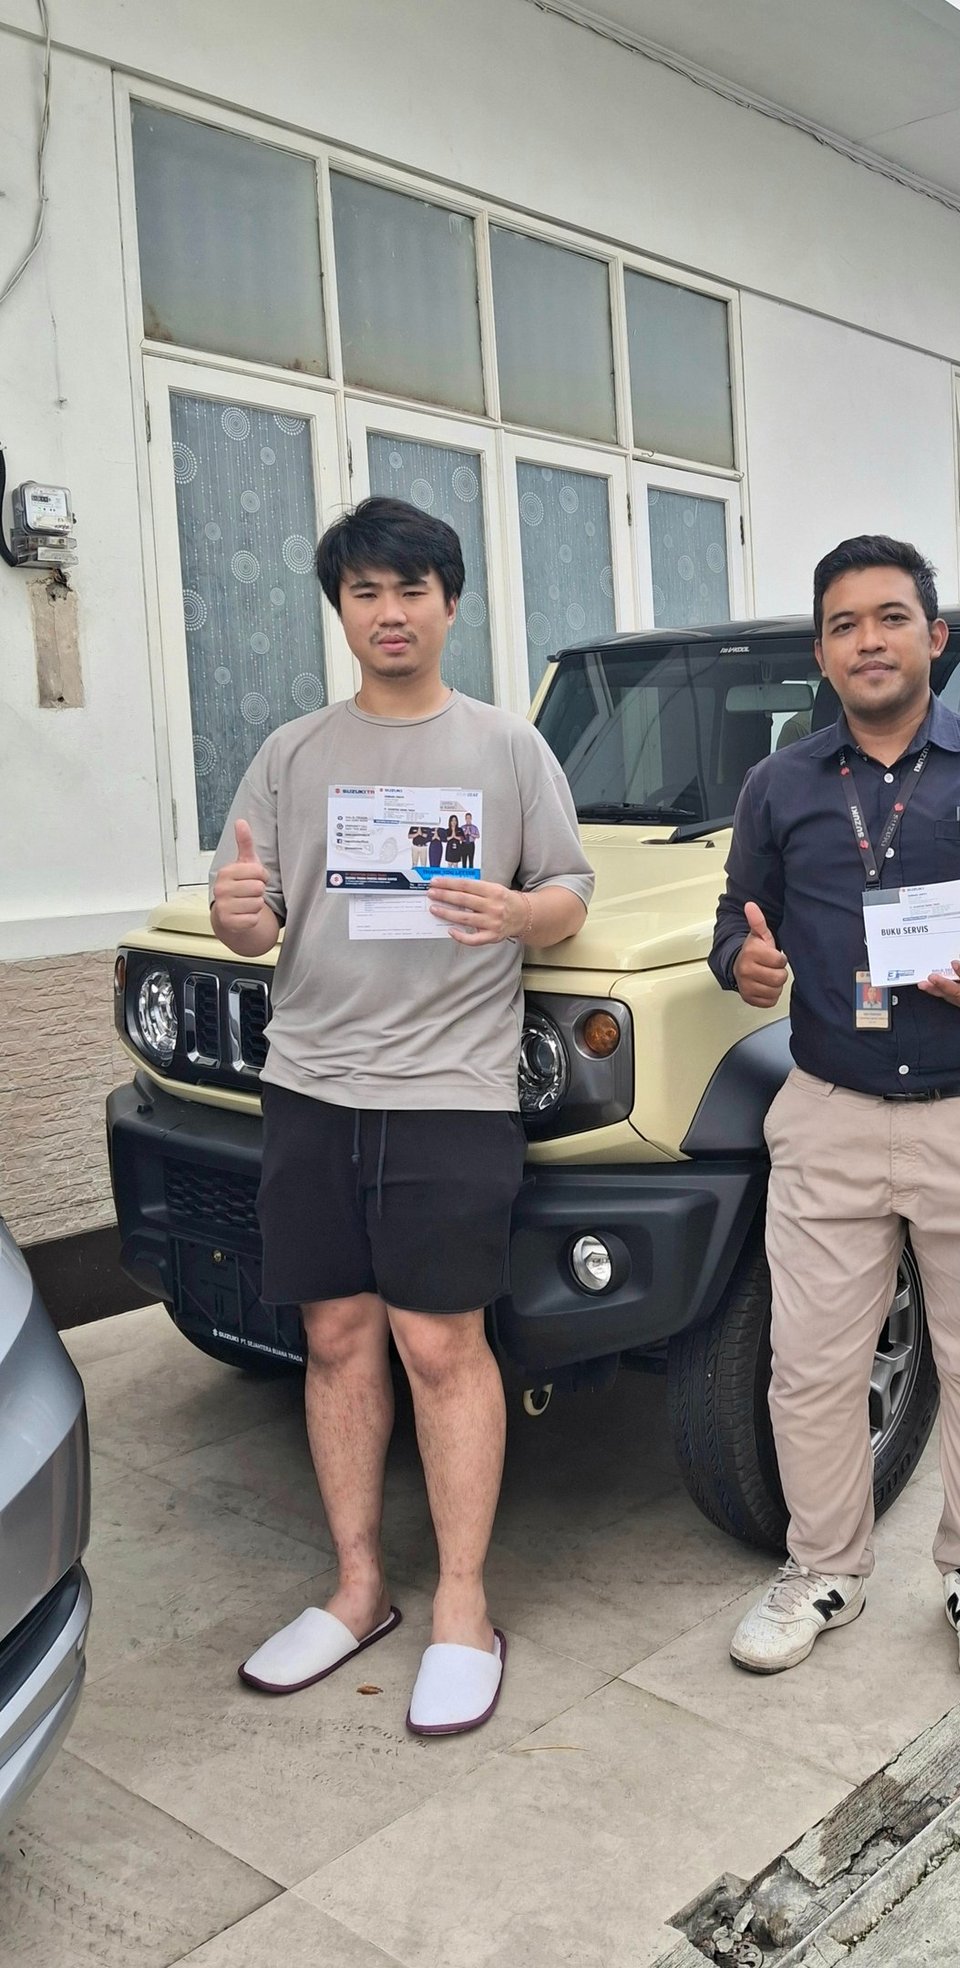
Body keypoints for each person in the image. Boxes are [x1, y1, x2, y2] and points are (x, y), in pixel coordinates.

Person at [209, 496, 592, 1736]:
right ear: (340, 609)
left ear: (450, 603)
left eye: (411, 589)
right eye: (365, 592)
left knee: (441, 1346)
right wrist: (235, 918)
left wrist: (518, 914)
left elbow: (570, 889)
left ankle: (463, 1606)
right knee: (334, 1338)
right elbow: (254, 917)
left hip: (449, 1092)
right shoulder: (292, 753)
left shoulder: (507, 749)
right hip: (312, 1084)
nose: (389, 612)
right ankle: (359, 1588)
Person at [711, 535, 960, 1694]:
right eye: (843, 625)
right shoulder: (780, 784)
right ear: (821, 653)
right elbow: (738, 920)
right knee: (809, 1369)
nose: (868, 641)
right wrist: (741, 962)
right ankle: (823, 1570)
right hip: (831, 1113)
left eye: (890, 618)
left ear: (934, 637)